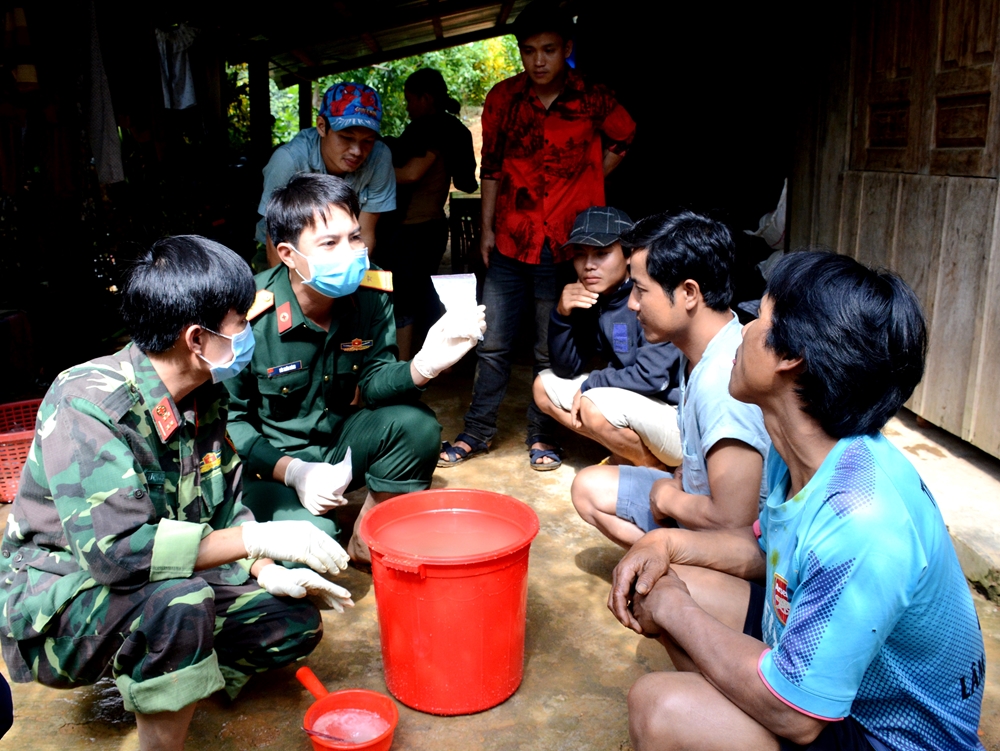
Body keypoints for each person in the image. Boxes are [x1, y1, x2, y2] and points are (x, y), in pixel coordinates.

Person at [609, 250, 986, 751]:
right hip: (847, 697)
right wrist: (665, 545)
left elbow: (797, 716)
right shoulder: (801, 447)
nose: (742, 330)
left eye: (759, 318)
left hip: (889, 736)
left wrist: (675, 609)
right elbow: (769, 551)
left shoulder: (863, 517)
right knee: (672, 582)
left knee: (661, 706)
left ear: (791, 357)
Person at [0, 236, 354, 751]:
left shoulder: (201, 395)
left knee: (290, 621)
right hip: (62, 604)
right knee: (180, 602)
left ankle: (170, 676)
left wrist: (268, 569)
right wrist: (262, 542)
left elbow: (228, 504)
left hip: (156, 581)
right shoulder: (87, 403)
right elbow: (120, 556)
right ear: (196, 338)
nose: (250, 332)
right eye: (241, 322)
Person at [227, 173, 486, 566]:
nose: (349, 253)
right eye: (329, 243)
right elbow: (230, 422)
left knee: (415, 425)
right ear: (287, 254)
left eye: (354, 237)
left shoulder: (370, 294)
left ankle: (367, 539)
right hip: (271, 461)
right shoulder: (246, 315)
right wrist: (293, 471)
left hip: (340, 442)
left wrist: (421, 366)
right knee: (312, 545)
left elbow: (374, 380)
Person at [438, 0, 636, 470]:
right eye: (529, 51)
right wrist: (486, 229)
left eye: (549, 49)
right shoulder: (503, 98)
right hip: (512, 237)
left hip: (567, 244)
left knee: (551, 346)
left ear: (567, 48)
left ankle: (543, 435)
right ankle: (478, 431)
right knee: (493, 343)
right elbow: (491, 169)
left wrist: (592, 180)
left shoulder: (594, 98)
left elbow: (624, 137)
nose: (539, 61)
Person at [571, 210, 770, 546]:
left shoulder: (724, 382)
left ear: (689, 293)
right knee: (587, 487)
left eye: (640, 290)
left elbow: (735, 523)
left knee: (659, 594)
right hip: (693, 498)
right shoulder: (697, 352)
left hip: (733, 539)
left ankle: (677, 574)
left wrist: (667, 499)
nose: (632, 304)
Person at [533, 206, 683, 470]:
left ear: (628, 255)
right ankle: (643, 460)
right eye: (580, 254)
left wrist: (593, 382)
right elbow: (565, 368)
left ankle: (657, 470)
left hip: (678, 415)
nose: (589, 265)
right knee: (542, 386)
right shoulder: (596, 297)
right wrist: (561, 316)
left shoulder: (652, 295)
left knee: (593, 405)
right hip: (638, 401)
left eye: (602, 254)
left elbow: (652, 377)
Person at [383, 68, 478, 360]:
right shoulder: (455, 130)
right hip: (433, 226)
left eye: (411, 100)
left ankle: (402, 363)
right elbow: (466, 180)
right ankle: (443, 360)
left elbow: (411, 174)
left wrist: (371, 171)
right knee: (425, 293)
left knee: (405, 298)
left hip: (414, 229)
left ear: (426, 98)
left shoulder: (429, 128)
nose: (408, 107)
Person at [256, 82, 396, 267]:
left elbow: (366, 233)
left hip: (345, 251)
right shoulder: (288, 160)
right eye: (347, 138)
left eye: (368, 141)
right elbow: (275, 239)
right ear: (322, 126)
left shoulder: (380, 158)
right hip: (285, 252)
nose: (357, 151)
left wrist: (351, 278)